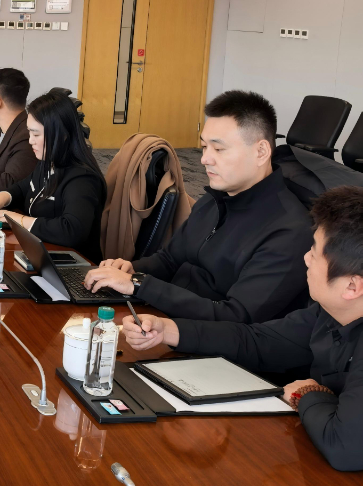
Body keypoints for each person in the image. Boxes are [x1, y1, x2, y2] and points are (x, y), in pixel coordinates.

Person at [122, 186, 363, 472]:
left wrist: (308, 393)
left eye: (315, 253)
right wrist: (169, 330)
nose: (306, 259)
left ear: (352, 286)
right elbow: (257, 341)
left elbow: (345, 448)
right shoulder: (329, 312)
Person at [84, 90, 312, 323]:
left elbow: (236, 316)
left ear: (261, 152)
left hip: (202, 336)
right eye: (204, 147)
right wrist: (131, 270)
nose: (204, 159)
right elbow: (169, 259)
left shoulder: (289, 232)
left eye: (218, 149)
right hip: (165, 317)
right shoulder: (214, 199)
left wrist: (139, 285)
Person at [0, 89, 107, 262]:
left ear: (62, 135)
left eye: (36, 134)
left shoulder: (82, 178)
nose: (30, 140)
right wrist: (3, 197)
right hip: (40, 250)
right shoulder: (49, 160)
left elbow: (72, 230)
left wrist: (20, 220)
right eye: (29, 132)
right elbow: (26, 186)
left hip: (70, 263)